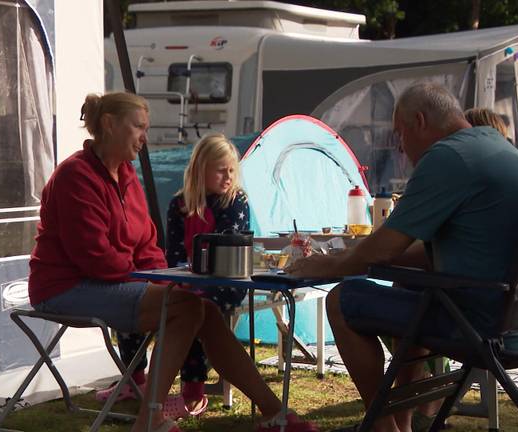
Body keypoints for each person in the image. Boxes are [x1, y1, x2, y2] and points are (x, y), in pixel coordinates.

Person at [28, 92, 318, 432]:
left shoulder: (127, 176)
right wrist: (154, 279)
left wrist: (167, 280)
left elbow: (147, 245)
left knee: (200, 308)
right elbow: (95, 258)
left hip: (110, 282)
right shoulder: (74, 176)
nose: (144, 138)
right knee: (183, 307)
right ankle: (150, 418)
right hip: (65, 289)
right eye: (138, 127)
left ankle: (273, 413)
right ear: (109, 125)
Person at [286, 82, 518, 432]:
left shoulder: (449, 157)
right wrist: (364, 256)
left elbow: (386, 245)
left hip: (484, 324)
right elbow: (434, 253)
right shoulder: (498, 148)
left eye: (400, 134)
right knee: (407, 287)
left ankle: (381, 427)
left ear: (419, 122)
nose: (400, 147)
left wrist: (329, 264)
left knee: (342, 301)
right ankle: (403, 422)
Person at [101, 133, 250, 419]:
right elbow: (174, 253)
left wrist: (193, 277)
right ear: (200, 169)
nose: (228, 177)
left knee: (194, 310)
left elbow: (229, 246)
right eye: (221, 170)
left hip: (224, 283)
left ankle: (193, 395)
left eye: (232, 170)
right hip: (186, 278)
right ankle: (136, 380)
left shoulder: (234, 201)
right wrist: (174, 278)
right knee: (134, 301)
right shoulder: (180, 204)